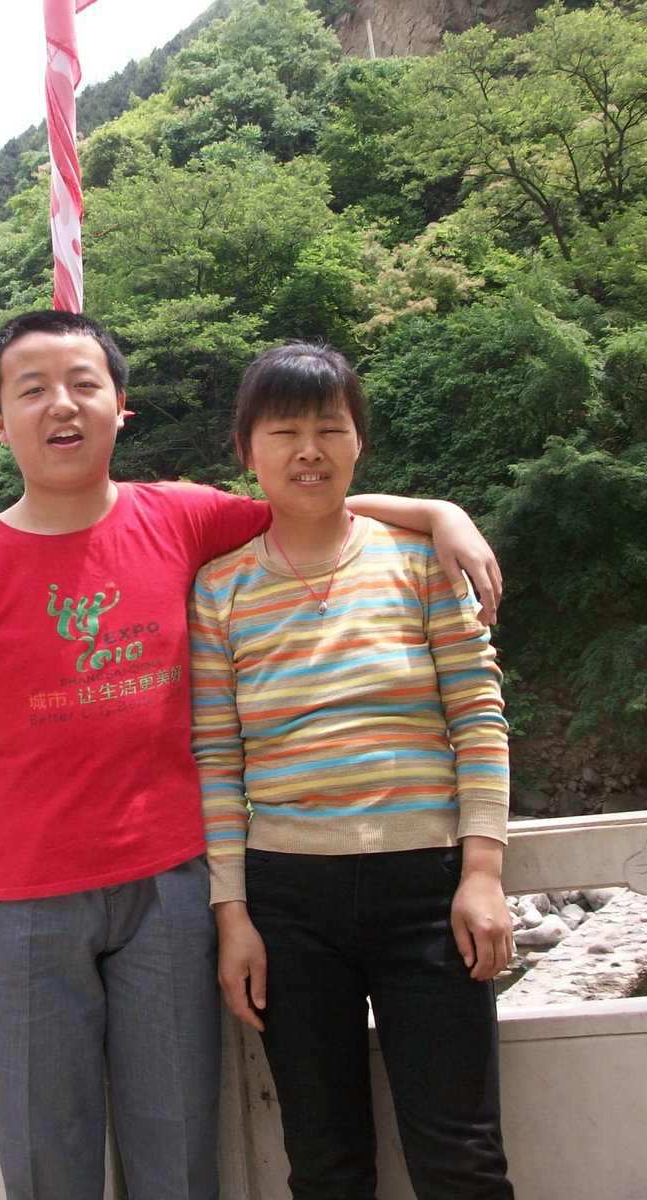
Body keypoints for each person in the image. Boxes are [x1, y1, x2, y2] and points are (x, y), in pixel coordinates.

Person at [0, 310, 502, 1200]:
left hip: (173, 886)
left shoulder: (178, 516)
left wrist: (438, 514)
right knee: (48, 1153)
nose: (62, 405)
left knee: (179, 1151)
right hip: (30, 897)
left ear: (120, 405)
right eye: (33, 389)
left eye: (84, 384)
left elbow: (306, 497)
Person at [191, 342, 514, 1200]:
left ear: (359, 443)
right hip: (288, 904)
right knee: (325, 1165)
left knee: (462, 1159)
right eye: (284, 432)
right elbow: (218, 762)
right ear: (247, 451)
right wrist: (232, 915)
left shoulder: (422, 562)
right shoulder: (218, 590)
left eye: (330, 429)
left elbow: (478, 719)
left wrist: (482, 872)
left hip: (426, 890)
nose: (310, 450)